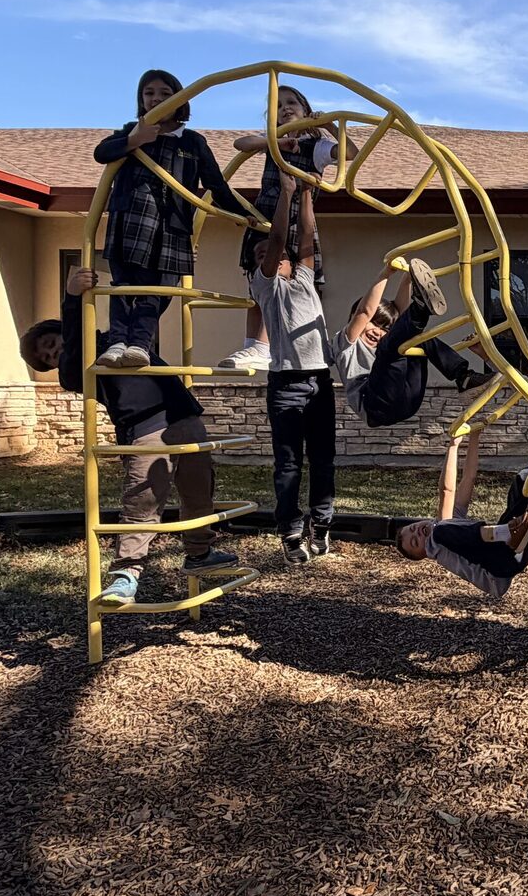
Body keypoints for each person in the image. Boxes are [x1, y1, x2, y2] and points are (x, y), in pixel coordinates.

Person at [18, 267, 239, 605]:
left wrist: (172, 271)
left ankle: (200, 551)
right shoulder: (76, 370)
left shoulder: (117, 340)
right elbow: (75, 344)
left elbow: (146, 311)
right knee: (143, 499)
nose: (54, 353)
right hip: (143, 427)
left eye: (52, 344)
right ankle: (126, 574)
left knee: (199, 490)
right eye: (47, 358)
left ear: (60, 331)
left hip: (182, 414)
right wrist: (72, 298)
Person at [93, 69, 254, 368]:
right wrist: (135, 139)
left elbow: (215, 184)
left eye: (166, 94)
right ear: (141, 100)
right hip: (132, 219)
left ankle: (139, 343)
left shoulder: (192, 142)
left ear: (180, 100)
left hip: (172, 225)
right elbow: (101, 153)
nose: (156, 99)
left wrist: (243, 213)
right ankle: (117, 341)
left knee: (159, 288)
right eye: (149, 93)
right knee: (124, 284)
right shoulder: (131, 131)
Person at [221, 85, 359, 371]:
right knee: (256, 286)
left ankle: (269, 345)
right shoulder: (272, 141)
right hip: (263, 217)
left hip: (295, 219)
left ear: (306, 110)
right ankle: (253, 347)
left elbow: (352, 153)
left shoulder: (316, 147)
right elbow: (241, 144)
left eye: (292, 102)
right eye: (278, 105)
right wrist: (276, 143)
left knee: (284, 283)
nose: (285, 108)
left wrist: (329, 125)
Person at [395, 434, 528, 600]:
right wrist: (453, 445)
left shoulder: (450, 525)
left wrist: (475, 437)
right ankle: (507, 532)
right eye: (416, 542)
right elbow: (446, 491)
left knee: (527, 478)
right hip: (500, 565)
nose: (417, 533)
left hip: (521, 546)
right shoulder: (438, 542)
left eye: (412, 528)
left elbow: (468, 478)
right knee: (441, 529)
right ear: (424, 553)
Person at [251, 171, 336, 565]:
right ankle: (290, 531)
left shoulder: (303, 277)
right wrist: (285, 193)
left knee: (323, 459)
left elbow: (304, 239)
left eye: (272, 255)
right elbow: (279, 239)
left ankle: (321, 525)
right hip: (285, 382)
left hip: (319, 379)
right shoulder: (264, 285)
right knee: (288, 463)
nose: (267, 259)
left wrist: (306, 194)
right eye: (261, 257)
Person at [333, 259, 496, 427]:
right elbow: (364, 312)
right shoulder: (346, 343)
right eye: (374, 323)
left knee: (418, 338)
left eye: (385, 328)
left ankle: (463, 377)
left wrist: (408, 279)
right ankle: (420, 307)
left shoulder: (388, 346)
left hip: (408, 401)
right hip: (374, 404)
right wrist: (386, 273)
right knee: (389, 347)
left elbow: (401, 317)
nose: (378, 331)